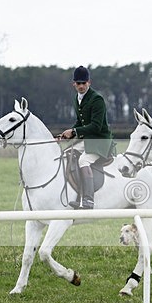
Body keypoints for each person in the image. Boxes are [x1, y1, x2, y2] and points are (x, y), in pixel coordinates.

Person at [57, 65, 113, 209]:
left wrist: (74, 131)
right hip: (88, 140)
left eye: (84, 83)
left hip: (100, 141)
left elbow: (96, 126)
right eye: (78, 83)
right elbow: (80, 122)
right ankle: (76, 196)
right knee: (67, 154)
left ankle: (88, 200)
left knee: (83, 160)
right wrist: (67, 135)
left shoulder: (97, 99)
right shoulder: (77, 98)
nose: (81, 86)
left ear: (89, 82)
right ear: (73, 84)